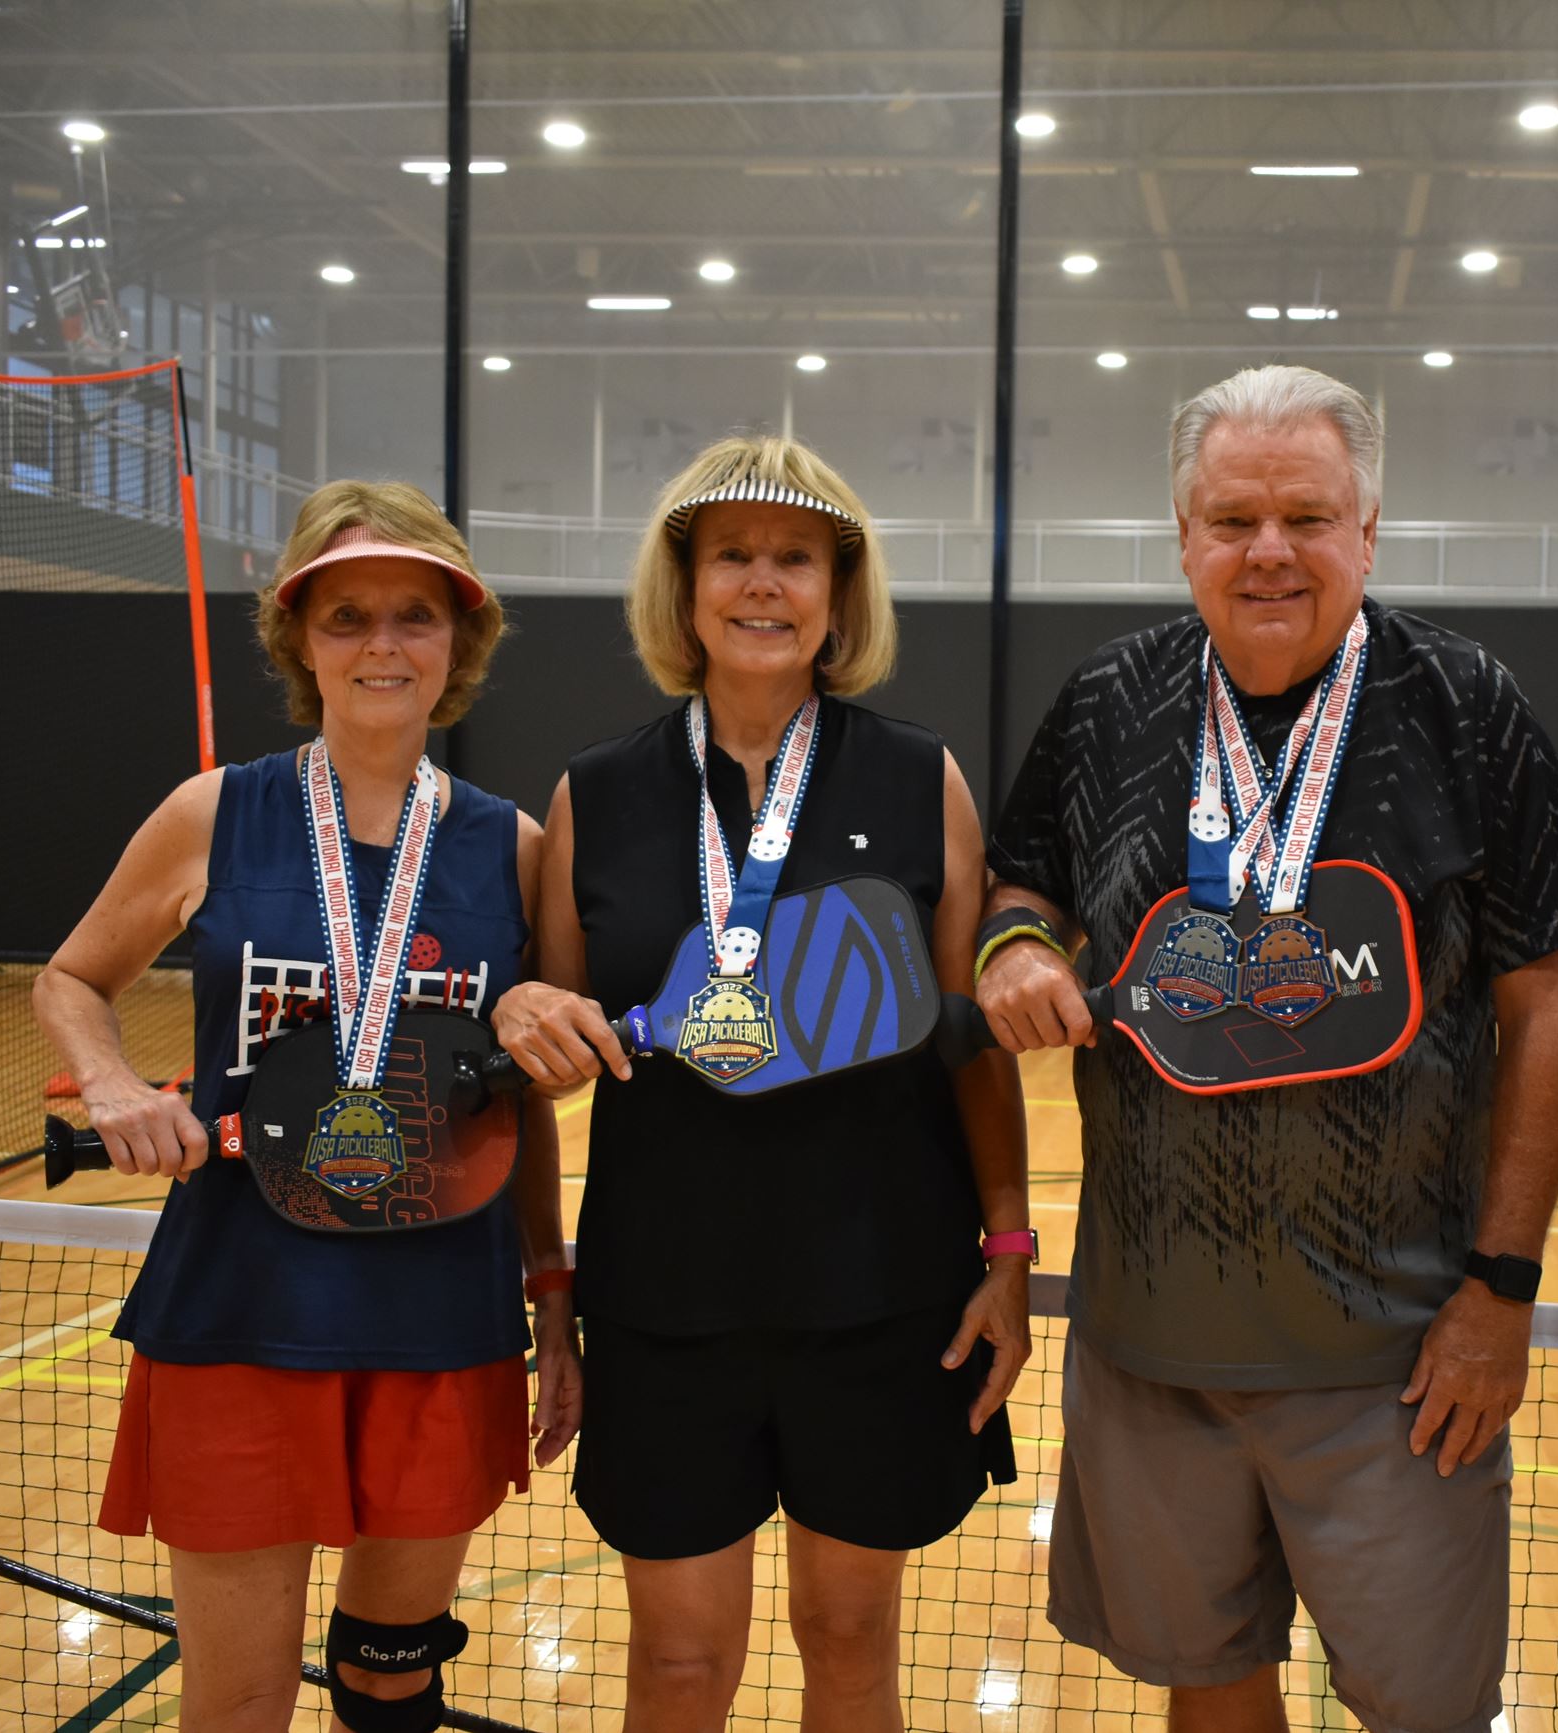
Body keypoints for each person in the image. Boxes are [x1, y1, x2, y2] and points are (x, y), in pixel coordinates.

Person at [978, 364, 1558, 1733]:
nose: (1268, 549)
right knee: (1209, 1691)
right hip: (1154, 1342)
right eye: (1232, 519)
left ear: (1368, 532)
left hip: (1398, 1358)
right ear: (1184, 537)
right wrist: (1018, 946)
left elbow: (1552, 995)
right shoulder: (1110, 701)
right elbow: (1020, 878)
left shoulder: (1463, 703)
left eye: (1306, 516)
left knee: (1424, 1709)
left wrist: (1502, 1288)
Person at [491, 435, 1032, 1732]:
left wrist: (1008, 1249)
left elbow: (972, 1041)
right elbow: (542, 1071)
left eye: (795, 556)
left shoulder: (920, 777)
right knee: (678, 1669)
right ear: (683, 588)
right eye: (730, 553)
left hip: (881, 1296)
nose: (762, 582)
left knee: (851, 1643)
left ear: (840, 593)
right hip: (666, 1307)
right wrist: (552, 1294)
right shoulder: (598, 793)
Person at [34, 481, 575, 1733]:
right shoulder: (213, 813)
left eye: (412, 617)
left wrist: (552, 1298)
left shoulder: (517, 847)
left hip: (443, 1310)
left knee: (394, 1678)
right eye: (346, 618)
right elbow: (68, 976)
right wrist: (111, 1078)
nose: (381, 645)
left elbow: (523, 1108)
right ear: (300, 641)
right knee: (236, 1701)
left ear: (458, 641)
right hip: (239, 1306)